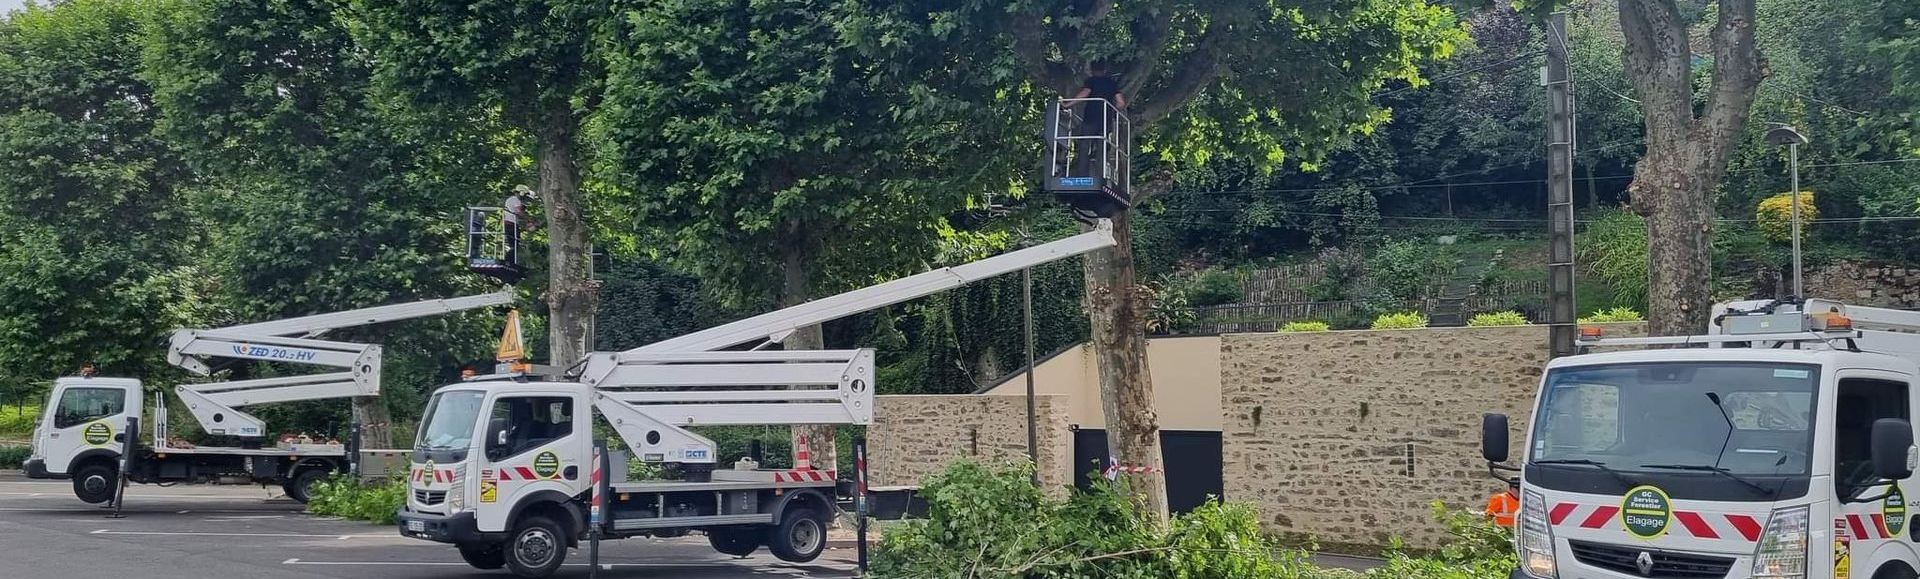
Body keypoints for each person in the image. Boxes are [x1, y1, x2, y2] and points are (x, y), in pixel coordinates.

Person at [1071, 63, 1125, 178]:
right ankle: (1100, 175)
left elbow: (1085, 93)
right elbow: (1121, 102)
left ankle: (1081, 175)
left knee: (1084, 146)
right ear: (1104, 70)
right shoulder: (1112, 83)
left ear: (1092, 70)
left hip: (1090, 118)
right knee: (1102, 148)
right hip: (1105, 120)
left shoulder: (1091, 81)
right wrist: (1112, 111)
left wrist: (1069, 103)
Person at [502, 185, 535, 267]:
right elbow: (518, 212)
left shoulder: (510, 199)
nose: (525, 197)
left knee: (513, 245)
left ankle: (509, 262)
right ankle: (508, 262)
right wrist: (528, 219)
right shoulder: (516, 200)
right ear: (521, 193)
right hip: (511, 224)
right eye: (525, 195)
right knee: (515, 246)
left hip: (508, 223)